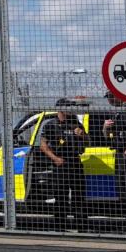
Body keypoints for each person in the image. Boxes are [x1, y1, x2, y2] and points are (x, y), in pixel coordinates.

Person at [39, 98, 88, 231]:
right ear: (60, 108)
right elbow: (43, 146)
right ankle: (60, 227)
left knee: (79, 197)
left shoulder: (76, 124)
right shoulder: (50, 125)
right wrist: (55, 158)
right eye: (68, 107)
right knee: (61, 197)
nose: (71, 110)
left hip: (75, 163)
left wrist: (82, 135)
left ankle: (82, 227)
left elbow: (87, 142)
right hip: (60, 165)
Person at [104, 92, 126, 228]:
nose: (110, 100)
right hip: (118, 154)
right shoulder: (117, 113)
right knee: (122, 189)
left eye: (111, 97)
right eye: (108, 97)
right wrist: (105, 127)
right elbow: (108, 137)